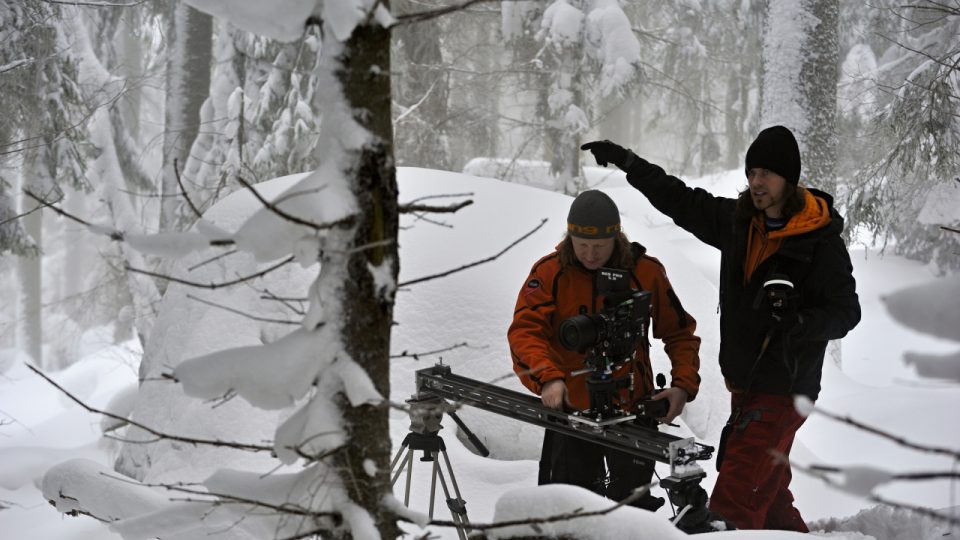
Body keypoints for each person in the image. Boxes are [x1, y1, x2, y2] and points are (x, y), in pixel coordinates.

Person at [581, 126, 861, 531]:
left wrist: (799, 321)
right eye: (752, 172)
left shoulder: (818, 240)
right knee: (767, 493)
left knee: (734, 500)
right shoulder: (739, 223)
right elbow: (680, 199)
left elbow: (846, 312)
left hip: (785, 388)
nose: (756, 182)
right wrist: (629, 162)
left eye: (767, 173)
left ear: (789, 179)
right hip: (745, 386)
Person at [508, 189, 701, 510]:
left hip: (632, 410)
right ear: (570, 237)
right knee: (569, 512)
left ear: (617, 237)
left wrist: (682, 386)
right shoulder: (550, 273)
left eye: (599, 246)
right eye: (582, 245)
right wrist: (549, 379)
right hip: (571, 411)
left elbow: (680, 333)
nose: (590, 254)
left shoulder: (646, 272)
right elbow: (524, 333)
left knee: (632, 512)